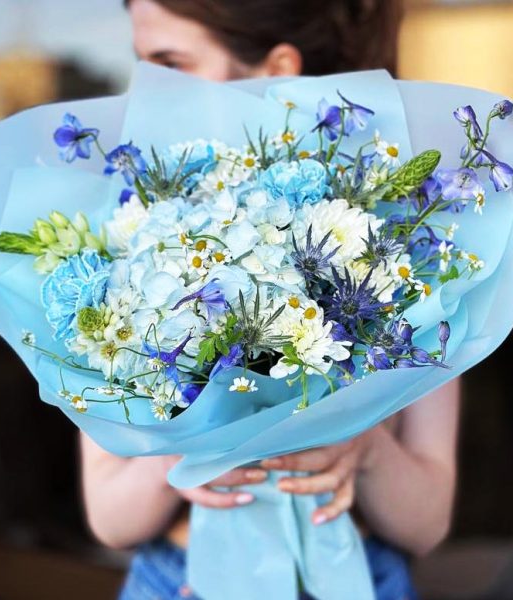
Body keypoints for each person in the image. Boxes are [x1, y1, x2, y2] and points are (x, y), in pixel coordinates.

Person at [81, 2, 461, 598]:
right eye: (141, 64)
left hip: (361, 577)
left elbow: (428, 525)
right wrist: (181, 453)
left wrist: (364, 447)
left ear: (275, 68)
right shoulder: (129, 242)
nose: (145, 89)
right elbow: (108, 517)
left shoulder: (399, 246)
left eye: (170, 62)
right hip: (176, 580)